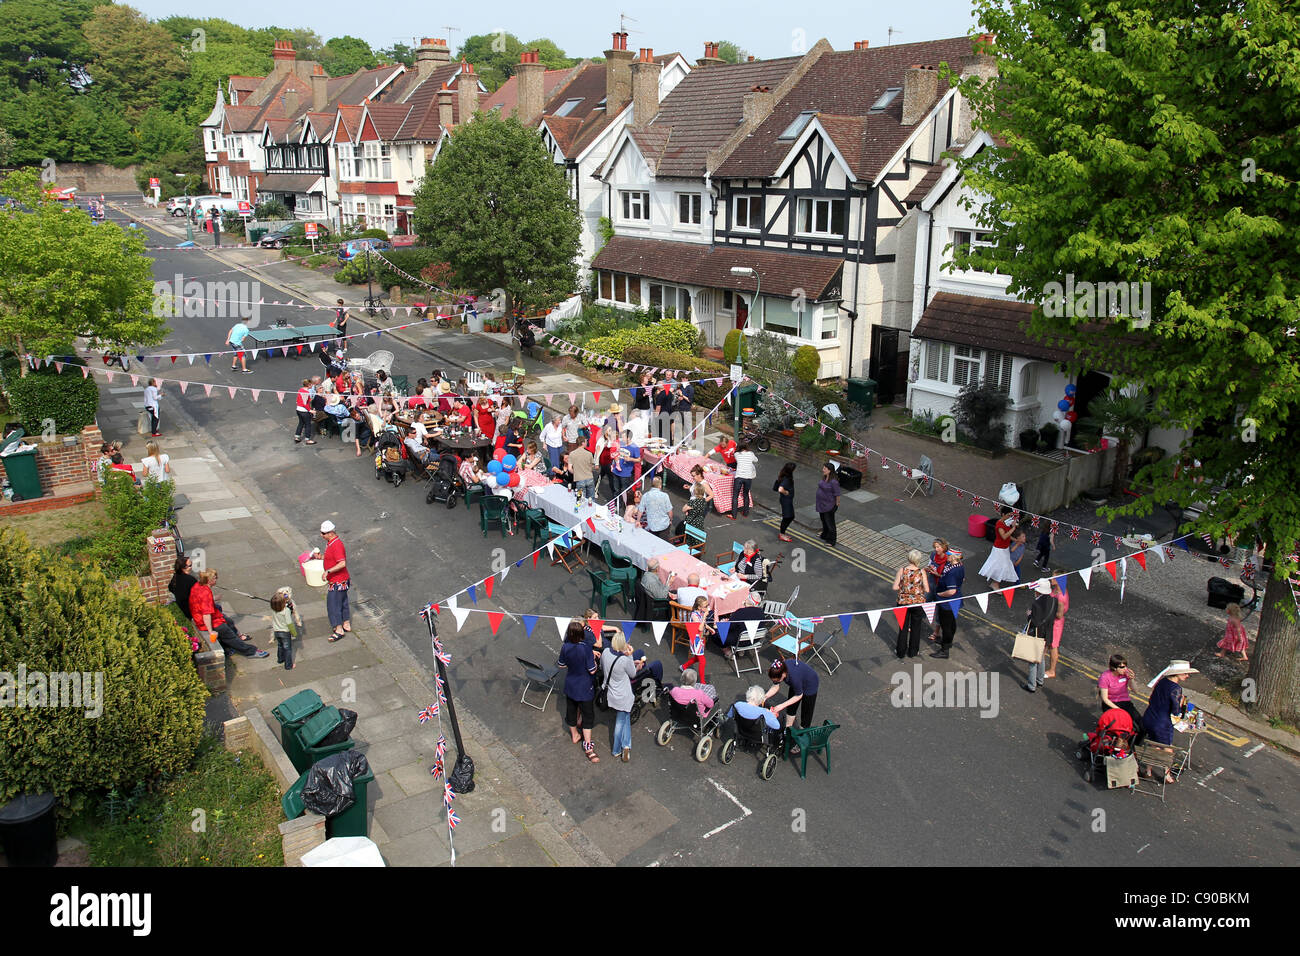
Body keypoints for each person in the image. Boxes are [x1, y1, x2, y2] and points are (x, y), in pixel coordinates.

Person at [1140, 660, 1198, 783]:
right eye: (1185, 673)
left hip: (1149, 717)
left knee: (1154, 743)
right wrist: (1181, 704)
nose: (1187, 676)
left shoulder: (1162, 682)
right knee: (1167, 748)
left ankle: (1148, 771)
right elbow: (1176, 710)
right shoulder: (1176, 688)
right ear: (1177, 674)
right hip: (1162, 723)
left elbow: (1152, 699)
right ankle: (1167, 775)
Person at [189, 569, 268, 659]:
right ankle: (250, 652)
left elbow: (200, 602)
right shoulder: (205, 593)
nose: (216, 579)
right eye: (215, 578)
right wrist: (211, 631)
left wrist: (213, 598)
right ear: (209, 581)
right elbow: (206, 615)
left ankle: (237, 637)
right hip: (210, 621)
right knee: (228, 635)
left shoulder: (198, 586)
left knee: (229, 621)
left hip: (211, 616)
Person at [557, 621, 599, 763]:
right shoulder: (586, 648)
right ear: (582, 634)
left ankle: (574, 734)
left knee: (571, 710)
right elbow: (592, 670)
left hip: (570, 684)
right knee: (588, 716)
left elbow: (561, 665)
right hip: (585, 687)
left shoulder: (565, 647)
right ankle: (588, 747)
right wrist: (594, 660)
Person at [764, 658, 820, 743]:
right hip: (797, 683)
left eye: (777, 680)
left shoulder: (794, 677)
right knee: (791, 707)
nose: (775, 682)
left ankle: (803, 737)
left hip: (810, 684)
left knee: (806, 712)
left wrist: (781, 705)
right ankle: (788, 728)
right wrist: (765, 697)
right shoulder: (780, 669)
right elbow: (775, 686)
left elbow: (799, 695)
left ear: (783, 674)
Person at [601, 635, 638, 762]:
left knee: (625, 716)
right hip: (623, 696)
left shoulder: (605, 652)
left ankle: (626, 744)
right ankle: (616, 750)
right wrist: (630, 655)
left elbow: (602, 667)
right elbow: (633, 674)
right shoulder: (625, 659)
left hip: (610, 692)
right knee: (620, 722)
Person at [892, 549, 930, 659]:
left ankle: (900, 652)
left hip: (902, 602)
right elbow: (927, 589)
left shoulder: (902, 570)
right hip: (918, 603)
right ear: (919, 560)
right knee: (916, 627)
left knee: (903, 627)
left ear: (909, 558)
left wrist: (904, 588)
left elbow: (895, 587)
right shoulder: (921, 572)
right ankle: (913, 651)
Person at [318, 520, 352, 642]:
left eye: (323, 533)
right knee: (343, 601)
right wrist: (321, 557)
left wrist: (328, 571)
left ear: (330, 533)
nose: (321, 535)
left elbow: (342, 563)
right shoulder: (331, 543)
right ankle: (346, 622)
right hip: (342, 580)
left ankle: (339, 629)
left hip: (337, 581)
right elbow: (331, 557)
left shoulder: (336, 545)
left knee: (333, 604)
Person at [1099, 653, 1144, 743]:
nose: (1125, 669)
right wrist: (1119, 710)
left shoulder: (1126, 674)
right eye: (1122, 667)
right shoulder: (1105, 677)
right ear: (1114, 668)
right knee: (1121, 726)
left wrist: (1132, 679)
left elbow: (1135, 691)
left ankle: (1135, 744)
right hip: (1111, 703)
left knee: (1141, 726)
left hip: (1125, 702)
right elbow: (1105, 698)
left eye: (1125, 666)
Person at [1023, 577, 1058, 692]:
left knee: (1033, 660)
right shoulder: (1054, 601)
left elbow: (1035, 622)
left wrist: (1029, 615)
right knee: (1041, 658)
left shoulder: (1036, 604)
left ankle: (1031, 685)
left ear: (1038, 591)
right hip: (1048, 634)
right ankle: (1040, 680)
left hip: (1037, 635)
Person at [931, 551, 965, 659]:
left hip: (947, 601)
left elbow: (951, 591)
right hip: (954, 600)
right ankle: (948, 642)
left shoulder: (952, 572)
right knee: (951, 622)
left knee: (946, 625)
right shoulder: (959, 566)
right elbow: (963, 579)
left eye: (948, 556)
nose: (946, 557)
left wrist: (940, 594)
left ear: (953, 557)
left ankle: (945, 650)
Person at [979, 506, 1019, 589]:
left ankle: (995, 582)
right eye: (1008, 515)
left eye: (1011, 515)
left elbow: (1007, 535)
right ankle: (995, 583)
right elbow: (1004, 536)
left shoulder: (1006, 522)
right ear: (1003, 514)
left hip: (1004, 548)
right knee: (1001, 565)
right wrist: (1014, 528)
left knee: (1000, 565)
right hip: (999, 548)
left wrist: (1015, 539)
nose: (1010, 517)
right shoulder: (999, 524)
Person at [270, 587, 303, 671]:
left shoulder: (273, 610)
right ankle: (288, 665)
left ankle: (280, 659)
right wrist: (294, 633)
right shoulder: (286, 611)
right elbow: (289, 623)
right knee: (288, 649)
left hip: (277, 632)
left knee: (280, 646)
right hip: (285, 632)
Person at [636, 556, 672, 624]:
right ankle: (671, 618)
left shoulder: (646, 574)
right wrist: (669, 584)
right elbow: (662, 596)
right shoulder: (652, 582)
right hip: (655, 601)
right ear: (657, 569)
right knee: (675, 598)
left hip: (651, 595)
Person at [684, 595, 712, 681]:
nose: (707, 607)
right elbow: (700, 627)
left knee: (697, 657)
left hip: (700, 638)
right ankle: (702, 681)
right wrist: (704, 617)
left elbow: (703, 625)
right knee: (702, 660)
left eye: (707, 605)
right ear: (699, 607)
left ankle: (684, 666)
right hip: (695, 639)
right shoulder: (694, 615)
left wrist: (710, 629)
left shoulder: (700, 612)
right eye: (705, 606)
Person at [1044, 577, 1067, 678]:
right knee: (1046, 643)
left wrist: (1048, 610)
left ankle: (1052, 671)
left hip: (1056, 625)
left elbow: (1059, 615)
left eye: (1054, 578)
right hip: (1051, 622)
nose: (1051, 579)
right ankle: (1039, 662)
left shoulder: (1061, 596)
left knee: (1053, 646)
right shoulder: (1056, 590)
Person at [815, 462, 842, 546]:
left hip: (829, 506)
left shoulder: (834, 482)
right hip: (821, 504)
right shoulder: (824, 477)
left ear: (829, 470)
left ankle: (831, 541)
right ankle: (824, 535)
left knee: (830, 524)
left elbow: (837, 494)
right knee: (824, 521)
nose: (823, 469)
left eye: (824, 468)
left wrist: (836, 504)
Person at [610, 428, 639, 501]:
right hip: (616, 471)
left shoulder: (634, 447)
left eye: (623, 437)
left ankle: (626, 506)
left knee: (624, 491)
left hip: (625, 474)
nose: (621, 438)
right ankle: (616, 505)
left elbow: (639, 459)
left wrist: (631, 459)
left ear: (628, 438)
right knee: (616, 490)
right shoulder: (620, 443)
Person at [731, 441, 758, 520]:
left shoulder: (736, 454)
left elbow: (736, 457)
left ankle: (734, 515)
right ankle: (745, 513)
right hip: (748, 478)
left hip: (739, 477)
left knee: (735, 496)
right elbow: (756, 460)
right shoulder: (751, 453)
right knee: (746, 495)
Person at [168, 553, 198, 618]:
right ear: (183, 568)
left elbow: (170, 588)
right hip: (191, 611)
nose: (191, 567)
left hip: (182, 608)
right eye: (190, 566)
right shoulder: (190, 580)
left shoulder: (175, 576)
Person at [773, 461, 796, 542]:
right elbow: (780, 489)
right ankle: (782, 534)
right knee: (787, 517)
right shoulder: (787, 479)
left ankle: (783, 533)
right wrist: (786, 492)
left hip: (786, 500)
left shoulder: (784, 475)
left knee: (790, 516)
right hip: (786, 501)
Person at [295, 378, 317, 445]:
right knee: (308, 425)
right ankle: (308, 440)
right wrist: (310, 410)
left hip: (298, 409)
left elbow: (298, 400)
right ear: (309, 385)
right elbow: (305, 404)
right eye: (311, 385)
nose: (312, 386)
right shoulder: (306, 392)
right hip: (304, 411)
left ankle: (297, 437)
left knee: (301, 423)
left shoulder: (300, 390)